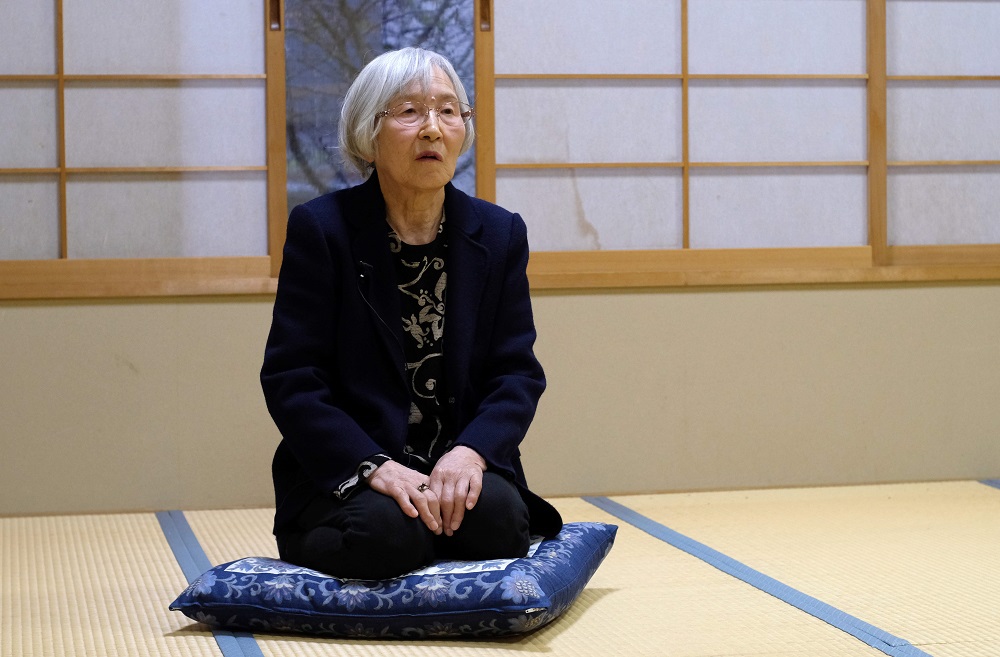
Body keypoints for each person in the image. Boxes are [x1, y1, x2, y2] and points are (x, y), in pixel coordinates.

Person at [260, 47, 563, 580]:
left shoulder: (499, 233)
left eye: (448, 111)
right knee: (385, 535)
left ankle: (432, 523)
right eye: (409, 112)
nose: (432, 129)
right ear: (368, 132)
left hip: (455, 461)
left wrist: (472, 453)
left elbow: (516, 372)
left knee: (499, 524)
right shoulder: (323, 230)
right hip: (359, 464)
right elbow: (293, 377)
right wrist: (372, 466)